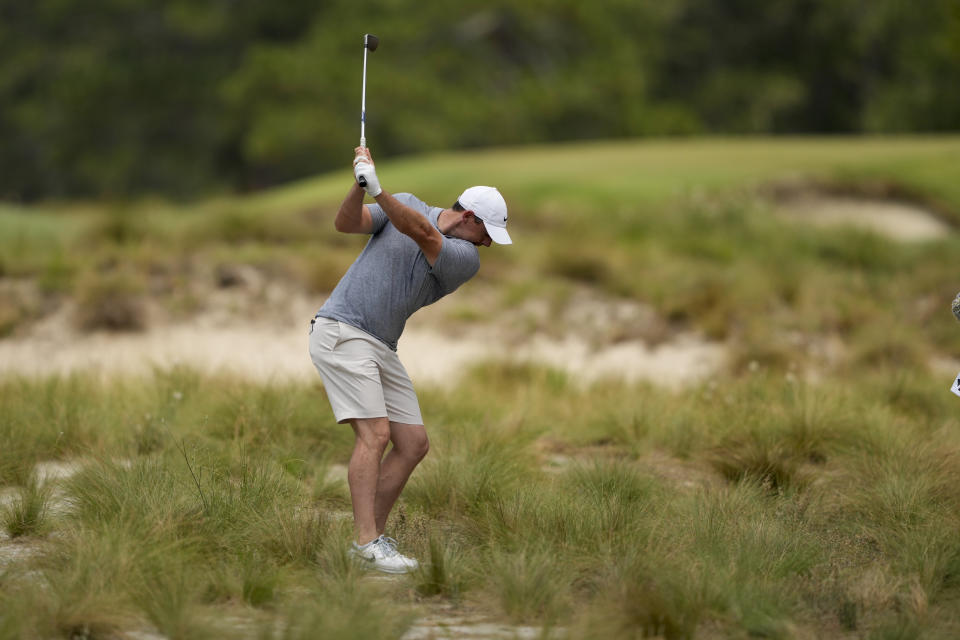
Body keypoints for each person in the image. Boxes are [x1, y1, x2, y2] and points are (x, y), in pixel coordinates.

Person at [308, 146, 512, 573]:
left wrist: (379, 191)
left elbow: (422, 233)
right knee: (375, 435)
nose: (490, 243)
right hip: (342, 329)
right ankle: (368, 544)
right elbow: (346, 223)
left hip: (381, 344)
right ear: (469, 216)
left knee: (414, 443)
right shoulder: (408, 205)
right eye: (488, 231)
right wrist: (359, 183)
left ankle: (368, 542)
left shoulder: (464, 258)